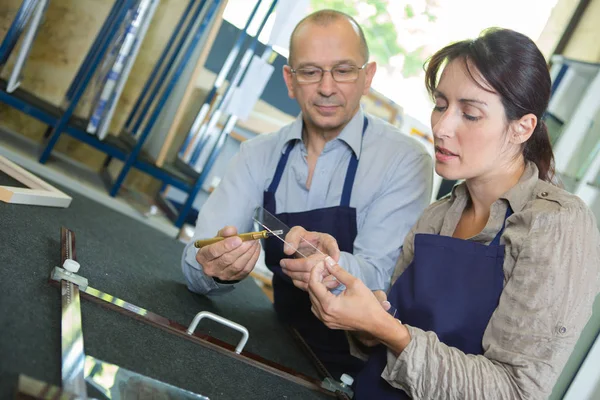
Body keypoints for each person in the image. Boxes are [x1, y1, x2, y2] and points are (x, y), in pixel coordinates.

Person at [292, 28, 600, 398]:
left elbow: (515, 391)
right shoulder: (437, 216)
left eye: (469, 114)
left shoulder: (555, 224)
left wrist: (390, 332)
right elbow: (384, 336)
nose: (441, 127)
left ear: (522, 128)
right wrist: (352, 301)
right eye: (440, 105)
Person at [181, 10, 433, 379]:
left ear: (368, 77)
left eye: (344, 70)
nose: (327, 87)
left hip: (356, 365)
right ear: (290, 79)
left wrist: (331, 264)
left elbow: (380, 276)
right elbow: (194, 257)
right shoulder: (257, 155)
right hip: (275, 342)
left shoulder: (405, 161)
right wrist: (214, 266)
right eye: (311, 71)